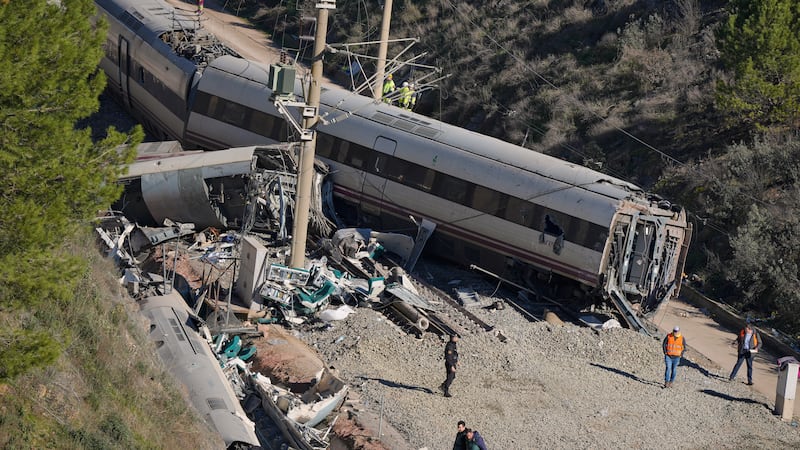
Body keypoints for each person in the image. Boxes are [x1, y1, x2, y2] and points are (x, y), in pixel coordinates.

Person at [729, 321, 761, 385]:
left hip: (750, 352)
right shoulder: (743, 332)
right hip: (742, 351)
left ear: (750, 329)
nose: (745, 331)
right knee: (738, 364)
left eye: (747, 330)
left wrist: (757, 348)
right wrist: (734, 343)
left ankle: (750, 381)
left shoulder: (755, 334)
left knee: (749, 366)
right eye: (745, 329)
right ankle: (731, 377)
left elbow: (760, 343)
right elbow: (739, 338)